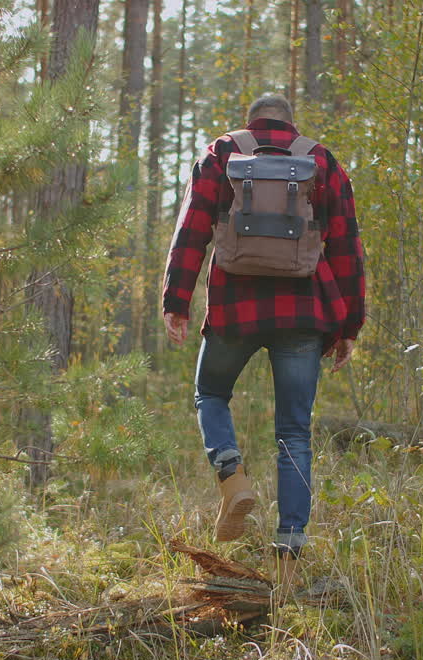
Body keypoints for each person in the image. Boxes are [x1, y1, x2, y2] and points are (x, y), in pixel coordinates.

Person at [161, 94, 365, 589]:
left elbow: (191, 229)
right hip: (303, 313)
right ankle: (288, 560)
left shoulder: (222, 153)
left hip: (235, 307)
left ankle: (232, 475)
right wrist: (349, 326)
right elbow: (346, 247)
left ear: (252, 120)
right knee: (294, 434)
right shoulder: (321, 160)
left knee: (211, 393)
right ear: (290, 121)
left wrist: (176, 299)